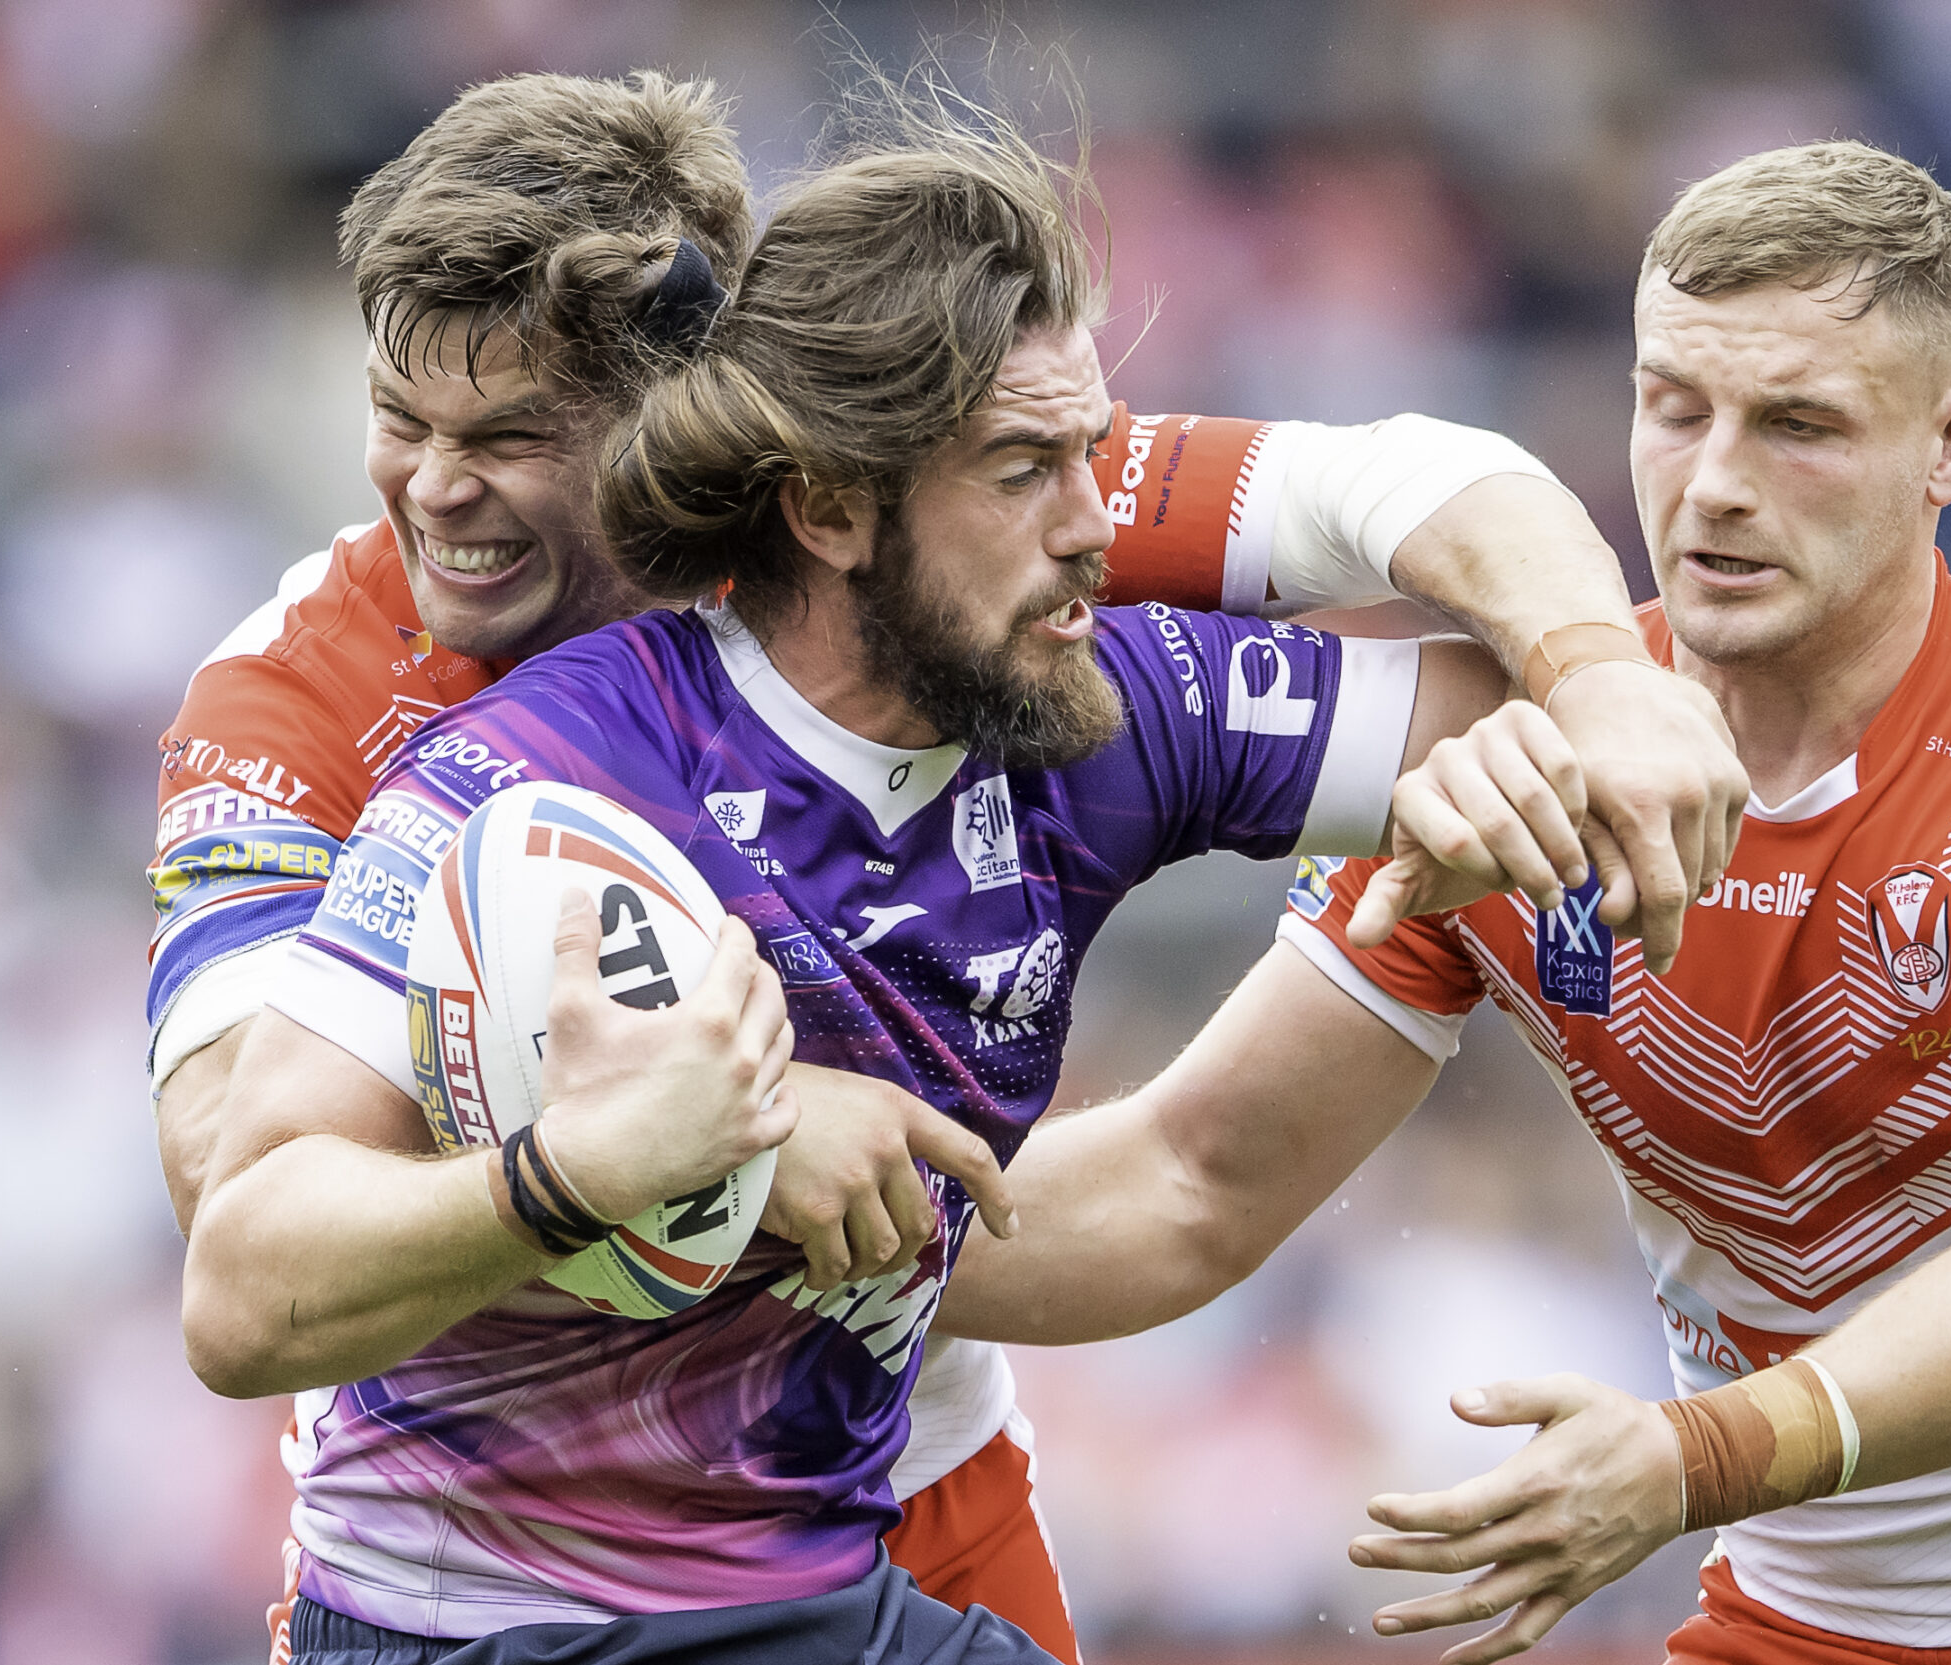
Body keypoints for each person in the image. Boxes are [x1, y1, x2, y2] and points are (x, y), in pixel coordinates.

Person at [146, 69, 1744, 1663]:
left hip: (887, 1461)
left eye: (509, 435)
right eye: (401, 419)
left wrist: (1590, 692)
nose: (434, 487)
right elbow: (238, 1192)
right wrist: (732, 1135)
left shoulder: (971, 521)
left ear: (698, 410)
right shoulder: (323, 704)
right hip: (506, 1557)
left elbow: (1400, 488)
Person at [935, 141, 1951, 1664]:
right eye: (1674, 408)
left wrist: (1692, 1459)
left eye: (1799, 426)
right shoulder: (1513, 763)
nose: (1714, 487)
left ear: (1950, 444)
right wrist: (775, 1242)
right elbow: (1191, 1183)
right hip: (1795, 1617)